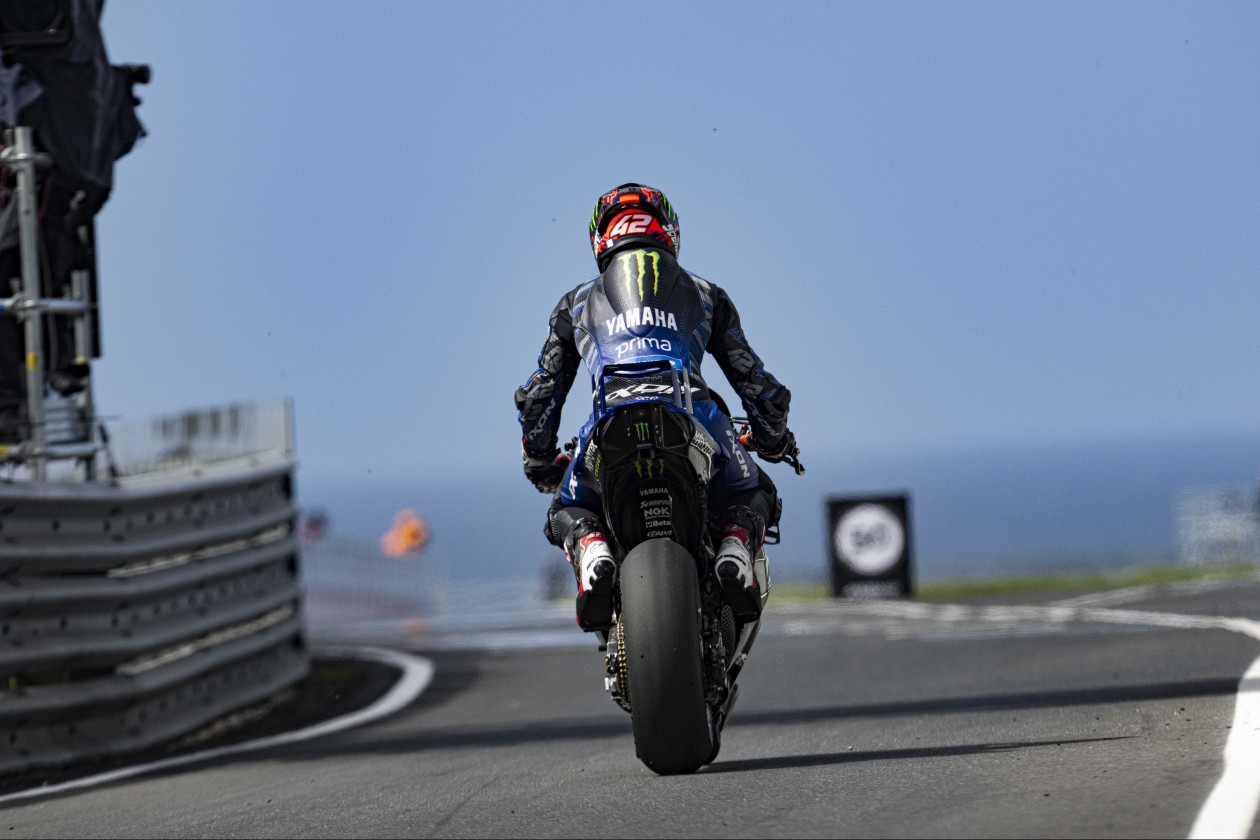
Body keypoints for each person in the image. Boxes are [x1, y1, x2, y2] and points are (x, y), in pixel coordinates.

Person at [515, 183, 798, 628]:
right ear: (669, 231)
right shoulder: (706, 293)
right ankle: (734, 548)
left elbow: (540, 395)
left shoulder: (574, 303)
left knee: (565, 510)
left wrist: (539, 458)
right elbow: (756, 383)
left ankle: (591, 546)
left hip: (605, 426)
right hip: (694, 416)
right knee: (755, 491)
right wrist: (772, 437)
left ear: (599, 238)